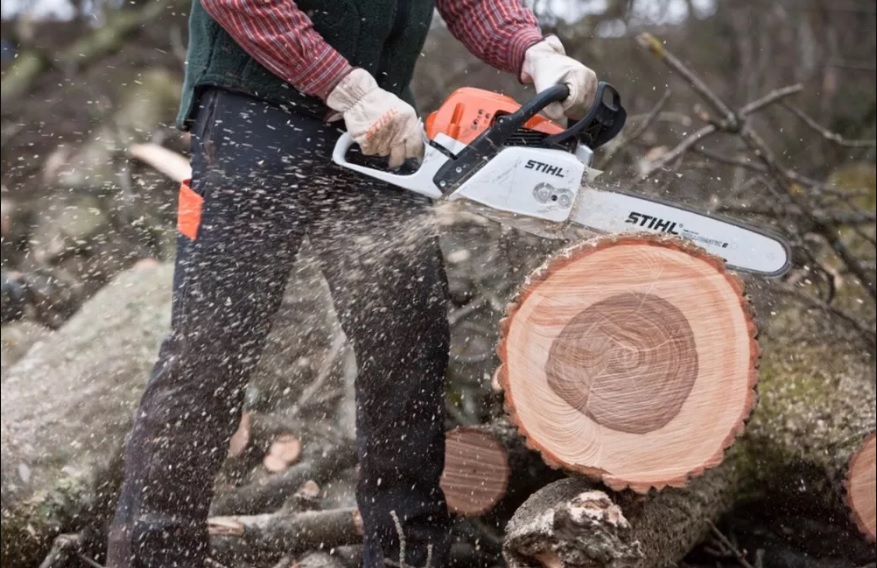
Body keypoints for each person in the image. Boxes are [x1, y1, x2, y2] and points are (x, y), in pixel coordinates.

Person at [106, 1, 598, 566]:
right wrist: (347, 89)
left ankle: (406, 553)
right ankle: (155, 550)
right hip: (256, 111)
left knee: (407, 342)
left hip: (383, 127)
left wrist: (531, 49)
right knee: (213, 346)